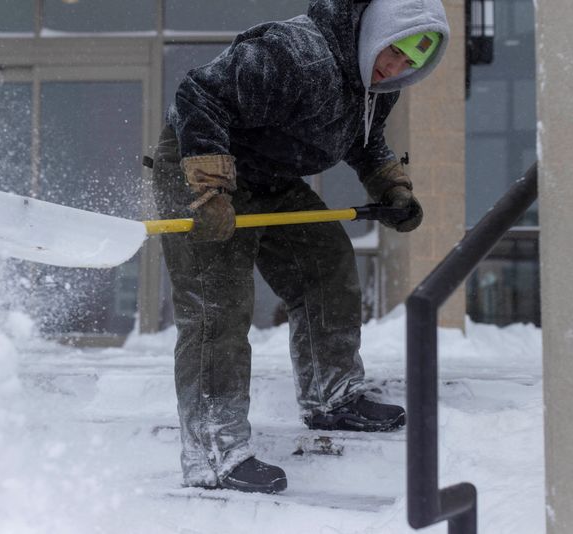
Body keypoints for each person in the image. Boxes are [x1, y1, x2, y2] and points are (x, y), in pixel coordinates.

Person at [151, 0, 449, 494]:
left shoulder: (375, 82)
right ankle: (214, 452)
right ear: (376, 31)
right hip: (200, 164)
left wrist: (390, 186)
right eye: (393, 52)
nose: (396, 68)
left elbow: (364, 136)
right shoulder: (295, 55)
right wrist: (209, 188)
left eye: (409, 64)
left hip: (270, 176)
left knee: (324, 259)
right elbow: (197, 95)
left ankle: (332, 396)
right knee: (218, 305)